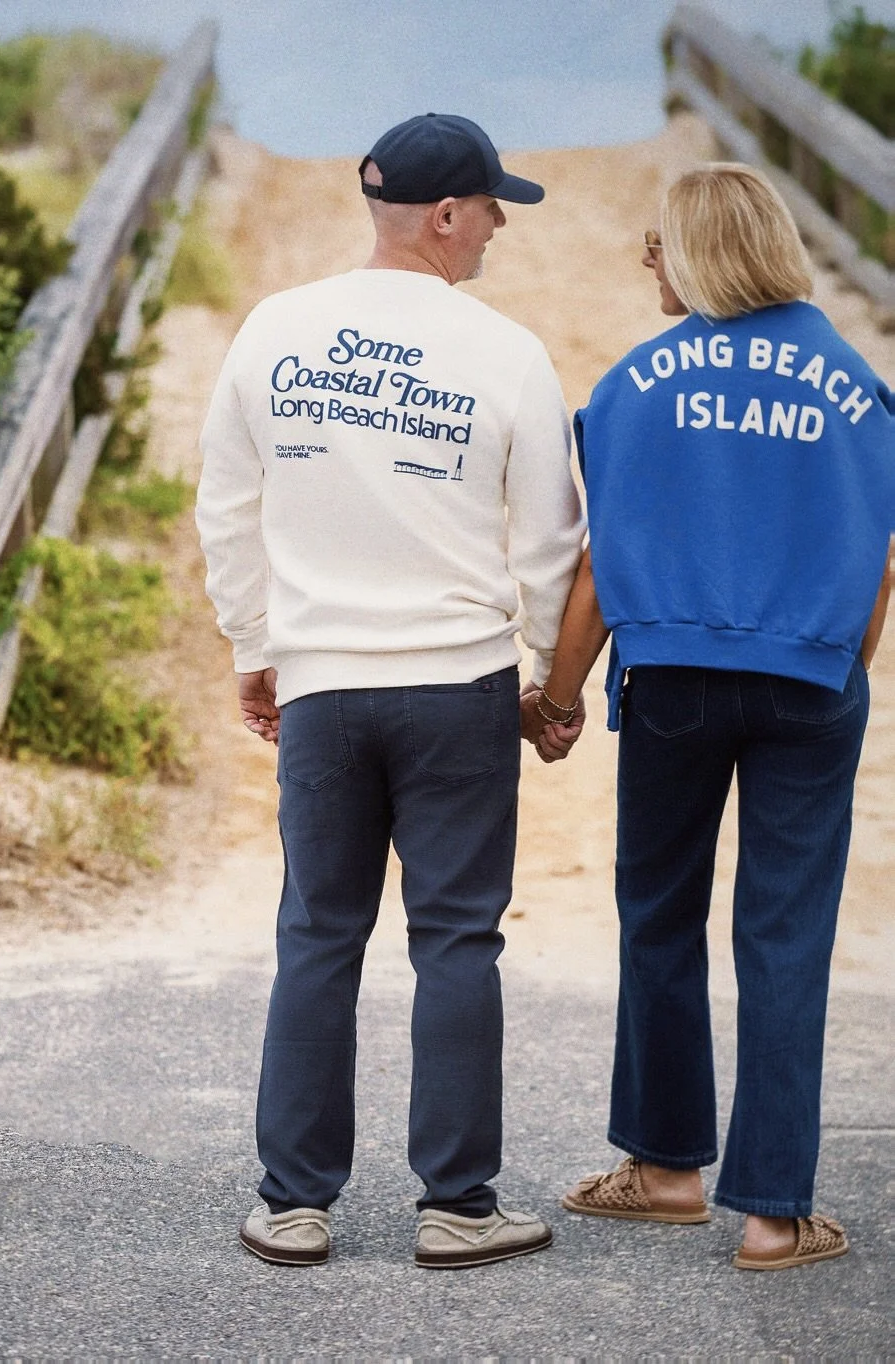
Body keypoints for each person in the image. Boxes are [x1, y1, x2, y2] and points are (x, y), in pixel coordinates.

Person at [195, 113, 585, 1269]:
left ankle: (293, 1200)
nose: (500, 228)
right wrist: (537, 675)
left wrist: (253, 645)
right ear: (444, 215)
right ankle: (456, 1204)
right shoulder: (503, 350)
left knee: (317, 933)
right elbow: (552, 536)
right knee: (455, 938)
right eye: (489, 207)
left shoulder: (274, 329)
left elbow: (225, 502)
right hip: (455, 683)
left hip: (322, 684)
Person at [528, 163, 894, 1271]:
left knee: (658, 909)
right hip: (810, 677)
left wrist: (551, 697)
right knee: (784, 936)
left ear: (693, 249)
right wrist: (839, 670)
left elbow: (595, 567)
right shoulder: (855, 383)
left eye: (656, 242)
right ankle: (772, 1214)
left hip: (675, 673)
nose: (645, 257)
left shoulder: (636, 386)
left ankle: (667, 1166)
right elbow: (877, 559)